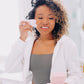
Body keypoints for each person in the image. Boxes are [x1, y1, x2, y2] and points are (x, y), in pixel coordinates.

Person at [5, 0, 81, 84]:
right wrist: (22, 38)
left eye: (51, 18)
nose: (45, 22)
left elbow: (76, 75)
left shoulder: (66, 44)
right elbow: (9, 67)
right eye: (40, 17)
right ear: (33, 20)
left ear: (57, 20)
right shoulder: (29, 43)